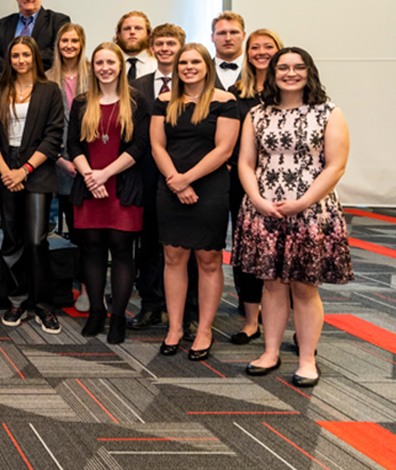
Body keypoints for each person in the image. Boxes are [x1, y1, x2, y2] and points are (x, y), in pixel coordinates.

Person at [236, 47, 351, 387]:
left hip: (311, 211)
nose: (290, 73)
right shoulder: (257, 114)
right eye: (283, 68)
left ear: (309, 72)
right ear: (272, 73)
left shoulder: (329, 112)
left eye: (298, 67)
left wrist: (302, 202)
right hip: (265, 210)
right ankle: (270, 352)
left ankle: (306, 360)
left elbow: (336, 166)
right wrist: (256, 199)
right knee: (271, 286)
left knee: (303, 287)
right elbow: (245, 162)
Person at [150, 43, 239, 360]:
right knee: (173, 257)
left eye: (195, 62)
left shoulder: (225, 102)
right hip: (170, 186)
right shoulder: (164, 102)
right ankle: (175, 327)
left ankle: (203, 329)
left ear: (206, 66)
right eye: (183, 62)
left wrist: (187, 179)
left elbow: (224, 151)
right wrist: (176, 180)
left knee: (208, 259)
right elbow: (158, 146)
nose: (189, 67)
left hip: (210, 189)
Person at [67, 42, 151, 345]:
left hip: (122, 185)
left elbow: (140, 147)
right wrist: (90, 174)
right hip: (89, 184)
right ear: (93, 66)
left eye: (110, 62)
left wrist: (105, 174)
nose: (105, 68)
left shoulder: (138, 101)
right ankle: (96, 313)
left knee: (121, 249)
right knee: (91, 249)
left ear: (120, 66)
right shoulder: (80, 103)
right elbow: (73, 146)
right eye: (99, 62)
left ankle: (118, 317)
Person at [0, 36, 66, 333]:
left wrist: (25, 170)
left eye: (25, 55)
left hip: (38, 170)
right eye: (15, 55)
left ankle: (44, 306)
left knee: (36, 240)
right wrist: (9, 171)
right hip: (5, 169)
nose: (20, 60)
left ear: (35, 57)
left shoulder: (49, 90)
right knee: (12, 240)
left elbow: (53, 136)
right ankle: (17, 301)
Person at [127, 22, 186, 331]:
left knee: (185, 245)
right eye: (160, 44)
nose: (165, 49)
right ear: (152, 48)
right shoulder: (137, 85)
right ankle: (150, 305)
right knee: (149, 244)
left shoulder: (194, 82)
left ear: (181, 48)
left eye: (171, 44)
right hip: (147, 175)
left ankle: (188, 313)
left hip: (188, 176)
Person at [227, 29, 284, 346]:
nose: (261, 52)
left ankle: (287, 319)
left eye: (268, 46)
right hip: (242, 179)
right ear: (247, 53)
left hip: (285, 182)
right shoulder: (237, 90)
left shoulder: (292, 88)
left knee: (284, 252)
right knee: (246, 249)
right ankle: (251, 320)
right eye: (255, 47)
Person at [47, 23, 90, 308]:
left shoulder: (94, 74)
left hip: (89, 167)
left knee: (85, 233)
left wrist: (82, 162)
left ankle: (87, 289)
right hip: (55, 163)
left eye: (75, 40)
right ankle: (55, 288)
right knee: (49, 232)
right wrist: (60, 159)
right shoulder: (47, 78)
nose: (69, 45)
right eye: (64, 40)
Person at [0, 0, 71, 80]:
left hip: (44, 83)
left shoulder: (57, 21)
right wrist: (12, 71)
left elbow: (55, 51)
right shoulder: (2, 24)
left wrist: (25, 67)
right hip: (7, 85)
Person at [115, 11, 156, 81]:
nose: (132, 32)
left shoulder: (157, 66)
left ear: (148, 34)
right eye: (127, 28)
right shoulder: (108, 65)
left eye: (138, 28)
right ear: (119, 35)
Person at [212, 11, 246, 89]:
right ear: (212, 37)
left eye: (234, 32)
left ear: (243, 36)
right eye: (222, 33)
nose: (228, 38)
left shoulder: (256, 70)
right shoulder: (202, 71)